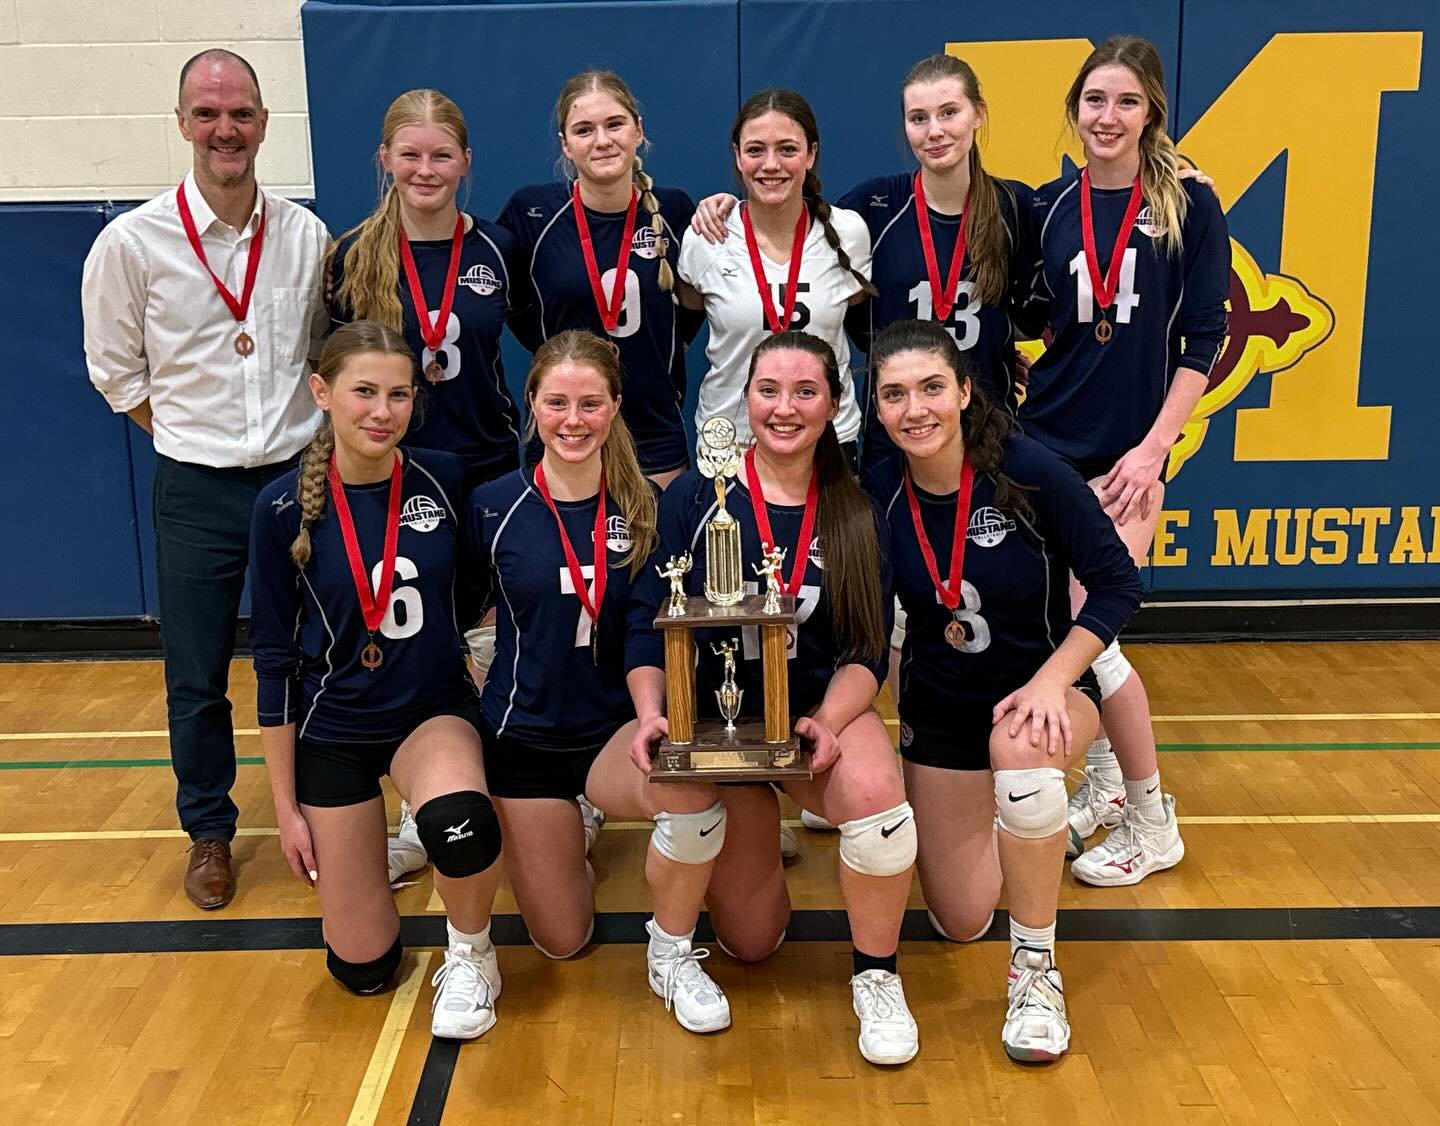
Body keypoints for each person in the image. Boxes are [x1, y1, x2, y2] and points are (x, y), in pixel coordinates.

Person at [629, 331, 920, 1066]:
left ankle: (877, 977)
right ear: (743, 397)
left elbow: (864, 651)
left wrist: (826, 720)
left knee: (882, 803)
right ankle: (750, 819)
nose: (784, 409)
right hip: (714, 732)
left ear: (833, 404)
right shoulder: (698, 497)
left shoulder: (856, 510)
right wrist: (653, 710)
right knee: (752, 945)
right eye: (768, 391)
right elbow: (646, 621)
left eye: (804, 392)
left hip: (810, 717)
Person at [81, 49, 329, 910]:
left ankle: (331, 810)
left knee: (316, 656)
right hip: (195, 488)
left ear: (264, 123)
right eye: (208, 113)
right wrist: (193, 439)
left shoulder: (306, 235)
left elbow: (322, 364)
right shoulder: (132, 242)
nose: (226, 129)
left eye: (243, 113)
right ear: (183, 123)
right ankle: (211, 832)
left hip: (297, 483)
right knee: (196, 672)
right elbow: (116, 374)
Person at [869, 318, 1142, 1061]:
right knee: (960, 919)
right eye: (894, 395)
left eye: (930, 387)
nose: (914, 408)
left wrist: (1055, 679)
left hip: (1044, 693)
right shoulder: (877, 491)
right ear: (878, 408)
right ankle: (1047, 827)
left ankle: (1036, 971)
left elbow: (1119, 583)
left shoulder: (1030, 471)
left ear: (964, 391)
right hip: (941, 707)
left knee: (1020, 758)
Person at [469, 330, 731, 1034]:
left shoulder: (647, 507)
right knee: (563, 939)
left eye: (590, 403)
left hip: (614, 730)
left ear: (616, 407)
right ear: (532, 405)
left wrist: (655, 714)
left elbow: (654, 625)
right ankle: (561, 832)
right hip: (522, 738)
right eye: (556, 402)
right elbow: (458, 617)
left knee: (692, 793)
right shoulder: (493, 505)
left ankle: (671, 951)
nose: (573, 419)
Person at [249, 321, 503, 1039]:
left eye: (398, 394)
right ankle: (373, 884)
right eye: (364, 392)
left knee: (462, 827)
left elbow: (484, 599)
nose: (381, 411)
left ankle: (473, 954)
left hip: (430, 714)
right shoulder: (277, 509)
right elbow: (272, 659)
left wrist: (482, 666)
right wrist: (286, 809)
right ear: (322, 392)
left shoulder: (445, 479)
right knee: (362, 970)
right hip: (333, 733)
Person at [1017, 36, 1229, 884]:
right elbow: (1029, 312)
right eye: (1095, 102)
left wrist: (1153, 449)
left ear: (1152, 116)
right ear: (1074, 113)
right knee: (1053, 627)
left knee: (1091, 636)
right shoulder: (1048, 205)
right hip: (1045, 443)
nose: (1108, 117)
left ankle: (1152, 815)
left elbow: (1205, 338)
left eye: (1127, 103)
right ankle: (1104, 784)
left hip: (1126, 460)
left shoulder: (1188, 204)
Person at [690, 55, 1031, 493]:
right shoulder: (871, 209)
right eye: (919, 118)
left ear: (978, 113)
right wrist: (723, 205)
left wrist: (1000, 347)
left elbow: (1037, 311)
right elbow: (799, 225)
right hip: (895, 427)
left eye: (949, 112)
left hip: (989, 419)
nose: (935, 130)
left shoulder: (1015, 206)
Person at [499, 70, 701, 489]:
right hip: (565, 427)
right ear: (565, 145)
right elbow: (509, 304)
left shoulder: (676, 210)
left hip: (653, 430)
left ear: (638, 130)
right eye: (584, 130)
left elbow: (691, 311)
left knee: (659, 554)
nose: (602, 140)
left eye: (614, 124)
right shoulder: (533, 213)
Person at [327, 88, 523, 492]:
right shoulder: (352, 255)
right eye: (410, 155)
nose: (425, 170)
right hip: (389, 462)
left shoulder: (499, 247)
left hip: (487, 461)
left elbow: (542, 337)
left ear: (465, 162)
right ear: (386, 159)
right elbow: (335, 371)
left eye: (442, 156)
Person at [676, 90, 875, 460]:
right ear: (737, 156)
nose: (771, 164)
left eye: (787, 149)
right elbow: (676, 341)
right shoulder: (706, 237)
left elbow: (867, 331)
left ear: (811, 154)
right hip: (731, 441)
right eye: (755, 150)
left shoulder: (848, 233)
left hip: (827, 438)